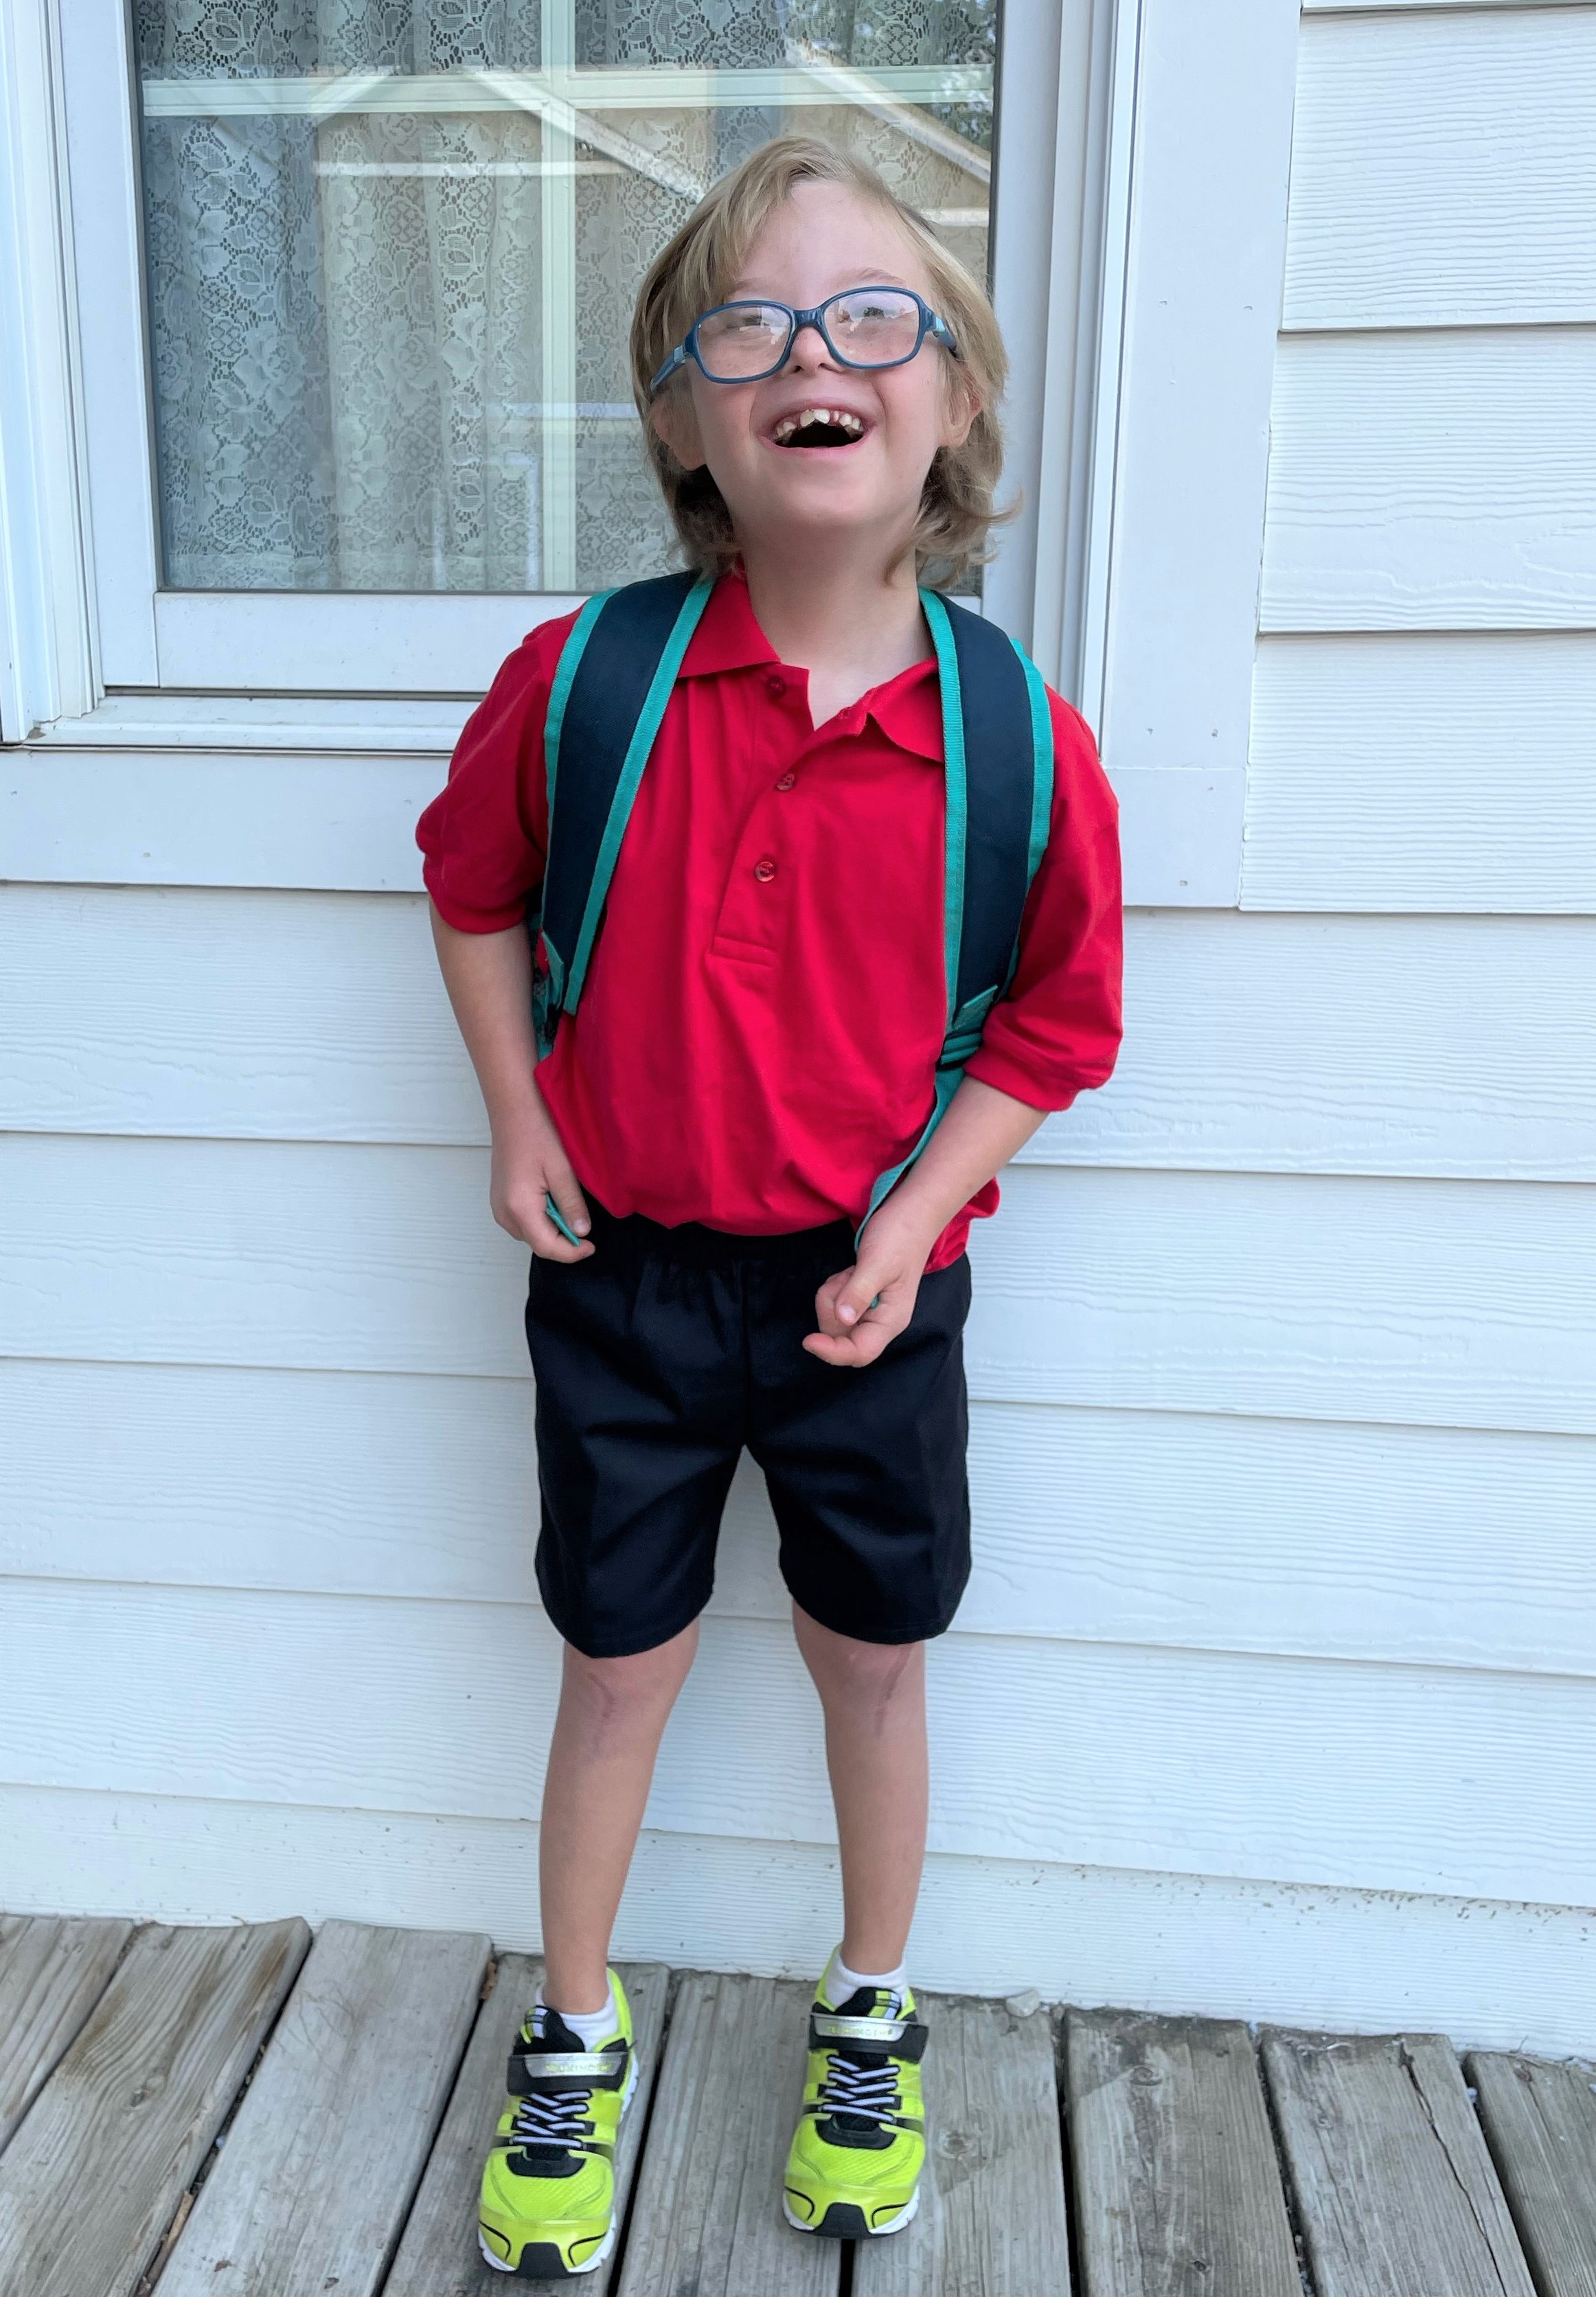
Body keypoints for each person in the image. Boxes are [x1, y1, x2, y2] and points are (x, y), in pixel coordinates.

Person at [418, 133, 1124, 2277]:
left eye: (873, 317)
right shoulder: (590, 683)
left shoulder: (1011, 739)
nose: (815, 356)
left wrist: (913, 1223)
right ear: (685, 419)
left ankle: (869, 2002)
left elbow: (1059, 1024)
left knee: (870, 1664)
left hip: (861, 1299)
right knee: (614, 1664)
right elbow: (469, 886)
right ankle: (570, 2020)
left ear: (957, 393)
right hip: (618, 1280)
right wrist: (516, 1114)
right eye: (753, 326)